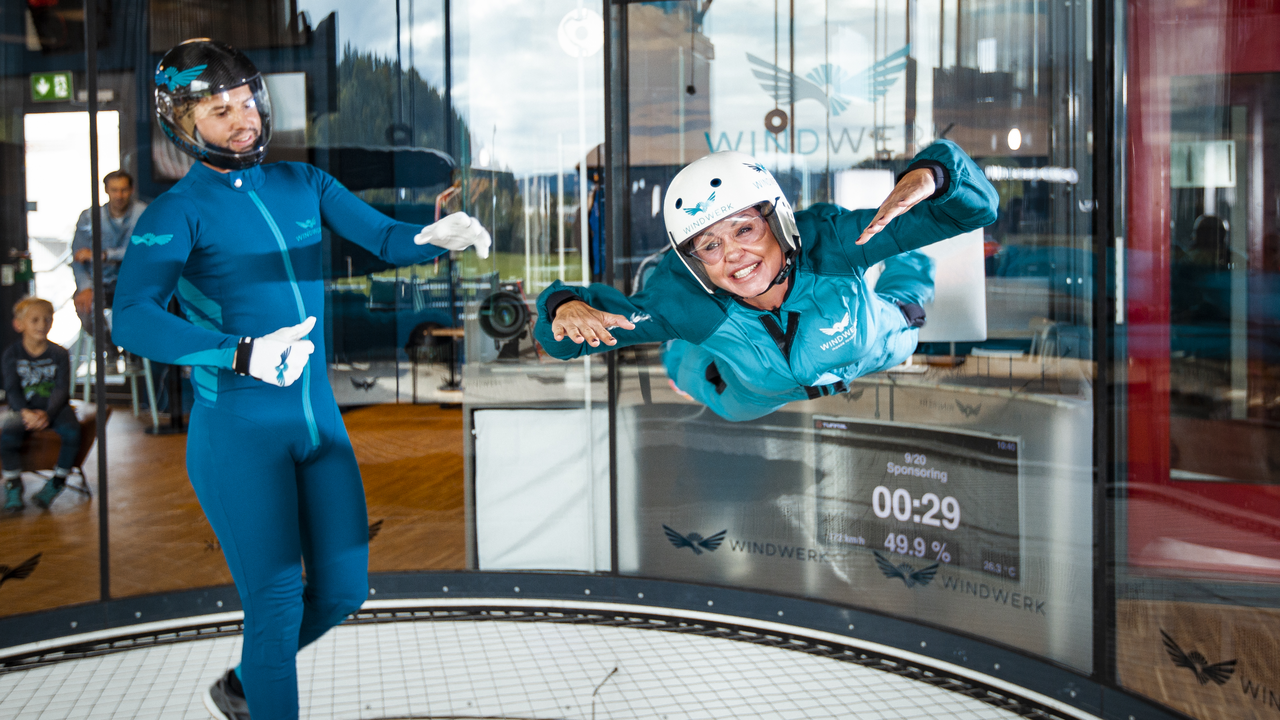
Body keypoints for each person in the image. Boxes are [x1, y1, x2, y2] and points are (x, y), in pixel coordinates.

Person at [112, 39, 491, 720]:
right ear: (185, 125)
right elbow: (132, 319)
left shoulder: (303, 183)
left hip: (318, 423)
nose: (241, 120)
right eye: (218, 111)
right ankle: (265, 695)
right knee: (278, 602)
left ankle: (244, 687)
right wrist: (239, 353)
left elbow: (381, 238)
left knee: (344, 591)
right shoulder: (175, 213)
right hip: (238, 430)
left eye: (246, 103)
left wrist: (433, 237)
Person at [534, 140, 998, 422]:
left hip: (871, 345)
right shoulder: (689, 300)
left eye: (744, 229)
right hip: (744, 395)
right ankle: (680, 327)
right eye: (710, 245)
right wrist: (562, 306)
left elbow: (975, 209)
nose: (734, 254)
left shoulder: (831, 242)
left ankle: (903, 256)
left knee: (907, 296)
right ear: (694, 258)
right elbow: (567, 343)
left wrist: (934, 173)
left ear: (777, 221)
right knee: (683, 354)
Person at [2, 297, 79, 511]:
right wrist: (25, 412)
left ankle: (57, 481)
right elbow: (12, 388)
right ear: (19, 324)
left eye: (47, 319)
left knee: (72, 432)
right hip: (24, 409)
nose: (42, 325)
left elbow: (62, 388)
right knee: (7, 433)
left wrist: (48, 414)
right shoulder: (11, 354)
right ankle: (13, 484)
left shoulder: (60, 353)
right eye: (34, 320)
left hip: (54, 409)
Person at [72, 169, 147, 363]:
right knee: (84, 308)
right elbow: (78, 257)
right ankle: (110, 351)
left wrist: (104, 255)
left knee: (144, 308)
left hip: (132, 282)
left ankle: (133, 351)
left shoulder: (143, 213)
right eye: (114, 190)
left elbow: (141, 251)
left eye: (123, 190)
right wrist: (85, 287)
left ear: (131, 190)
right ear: (106, 190)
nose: (119, 195)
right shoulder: (89, 217)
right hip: (100, 282)